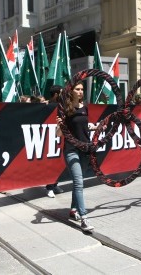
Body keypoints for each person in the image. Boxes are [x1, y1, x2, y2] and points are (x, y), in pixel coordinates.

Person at [56, 82, 96, 231]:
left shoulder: (85, 107)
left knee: (77, 182)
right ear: (71, 91)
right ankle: (84, 218)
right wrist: (60, 125)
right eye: (77, 89)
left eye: (82, 89)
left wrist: (95, 127)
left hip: (84, 149)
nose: (80, 92)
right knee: (79, 182)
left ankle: (73, 210)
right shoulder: (65, 110)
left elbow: (84, 127)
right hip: (71, 149)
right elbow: (58, 134)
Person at [45, 85, 64, 198]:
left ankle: (55, 184)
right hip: (48, 138)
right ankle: (49, 187)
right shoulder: (47, 106)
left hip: (59, 135)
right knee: (50, 162)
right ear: (56, 94)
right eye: (61, 93)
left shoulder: (62, 106)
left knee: (58, 162)